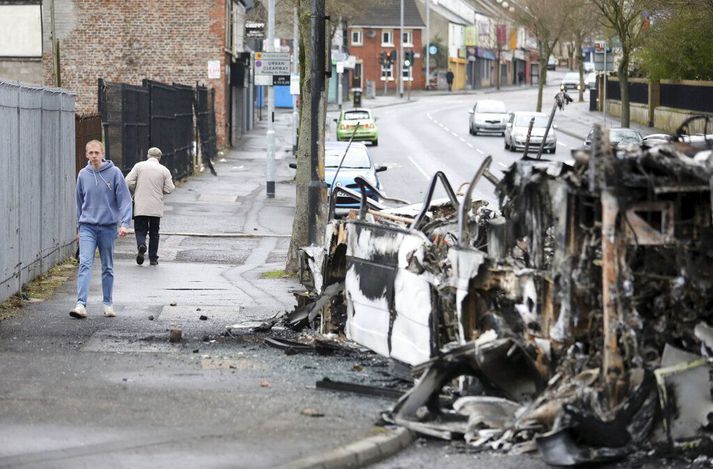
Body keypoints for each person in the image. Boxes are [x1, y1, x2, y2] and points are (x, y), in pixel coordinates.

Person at [70, 140, 132, 319]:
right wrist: (79, 228)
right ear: (86, 155)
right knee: (85, 263)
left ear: (103, 153)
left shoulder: (114, 173)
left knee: (107, 267)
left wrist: (125, 224)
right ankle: (80, 304)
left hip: (107, 227)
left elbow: (125, 199)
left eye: (97, 152)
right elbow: (79, 203)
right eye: (91, 153)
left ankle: (108, 303)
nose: (94, 156)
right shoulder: (83, 174)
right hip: (88, 226)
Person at [125, 147, 175, 266]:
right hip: (155, 205)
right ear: (159, 157)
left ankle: (141, 245)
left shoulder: (139, 166)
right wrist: (160, 191)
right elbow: (170, 188)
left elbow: (128, 181)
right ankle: (153, 258)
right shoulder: (164, 170)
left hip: (140, 204)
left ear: (148, 156)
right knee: (154, 232)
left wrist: (136, 189)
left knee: (140, 229)